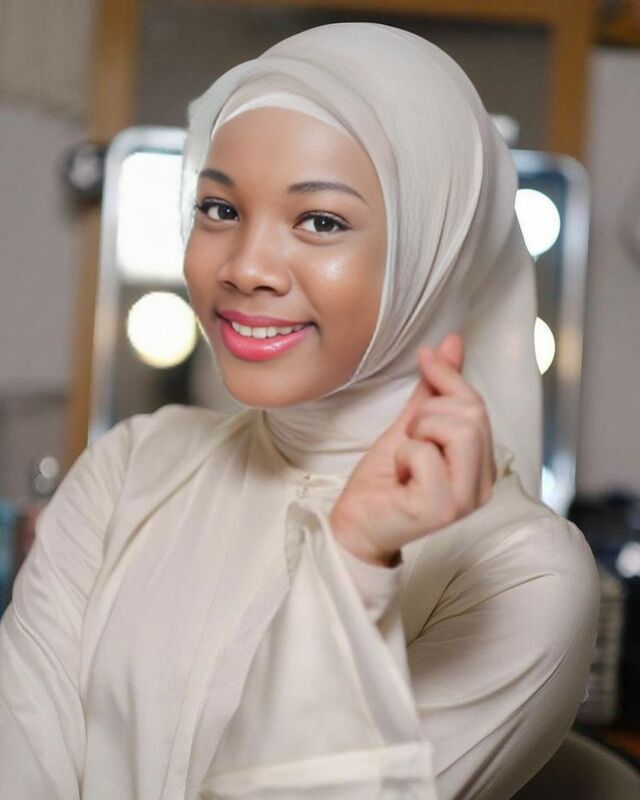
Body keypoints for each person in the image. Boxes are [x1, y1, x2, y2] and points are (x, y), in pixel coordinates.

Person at [0, 22, 599, 799]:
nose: (246, 267)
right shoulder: (131, 467)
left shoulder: (521, 577)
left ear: (432, 253)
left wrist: (353, 564)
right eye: (219, 209)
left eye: (321, 221)